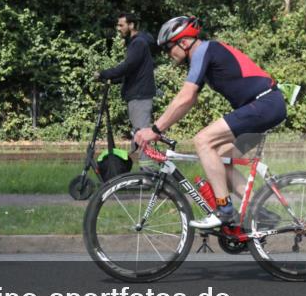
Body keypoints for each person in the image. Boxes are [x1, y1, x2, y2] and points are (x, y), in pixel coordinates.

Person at [133, 16, 287, 229]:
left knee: (203, 141)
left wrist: (155, 129)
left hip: (264, 105)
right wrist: (160, 128)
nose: (168, 54)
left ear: (184, 42)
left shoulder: (204, 51)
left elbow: (185, 97)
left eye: (169, 48)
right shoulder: (204, 55)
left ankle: (224, 210)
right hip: (266, 107)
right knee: (221, 159)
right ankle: (260, 214)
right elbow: (188, 101)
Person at [94, 12, 156, 151]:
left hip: (140, 97)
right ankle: (145, 171)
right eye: (117, 25)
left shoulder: (138, 43)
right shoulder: (137, 43)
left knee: (142, 139)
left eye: (121, 25)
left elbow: (127, 66)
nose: (118, 28)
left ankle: (148, 171)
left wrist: (103, 73)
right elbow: (131, 72)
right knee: (138, 138)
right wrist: (110, 79)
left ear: (131, 25)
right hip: (137, 96)